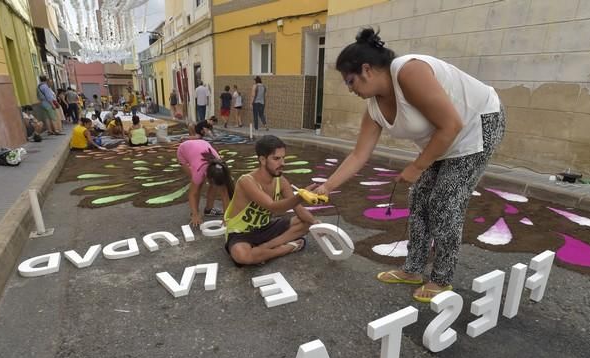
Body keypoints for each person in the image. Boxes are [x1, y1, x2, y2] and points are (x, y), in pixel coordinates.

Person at [314, 28, 506, 303]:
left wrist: (416, 167)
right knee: (419, 198)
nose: (349, 88)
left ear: (366, 69)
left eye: (350, 80)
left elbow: (451, 124)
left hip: (480, 124)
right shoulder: (373, 108)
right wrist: (327, 186)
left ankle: (441, 278)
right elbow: (358, 155)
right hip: (446, 137)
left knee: (444, 201)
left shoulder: (408, 72)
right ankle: (413, 269)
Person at [224, 135, 318, 266]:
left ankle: (265, 248)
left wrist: (316, 225)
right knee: (242, 256)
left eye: (283, 158)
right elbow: (272, 207)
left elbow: (299, 209)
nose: (282, 163)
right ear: (262, 160)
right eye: (276, 159)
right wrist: (300, 196)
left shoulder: (281, 180)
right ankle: (285, 248)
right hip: (242, 232)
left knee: (306, 223)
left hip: (265, 228)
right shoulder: (246, 181)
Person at [177, 135, 234, 226]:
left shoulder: (220, 167)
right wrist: (195, 214)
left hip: (201, 145)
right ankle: (194, 212)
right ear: (209, 177)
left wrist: (226, 218)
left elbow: (225, 195)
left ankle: (208, 209)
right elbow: (192, 194)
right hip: (184, 150)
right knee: (197, 186)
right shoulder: (198, 171)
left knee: (217, 185)